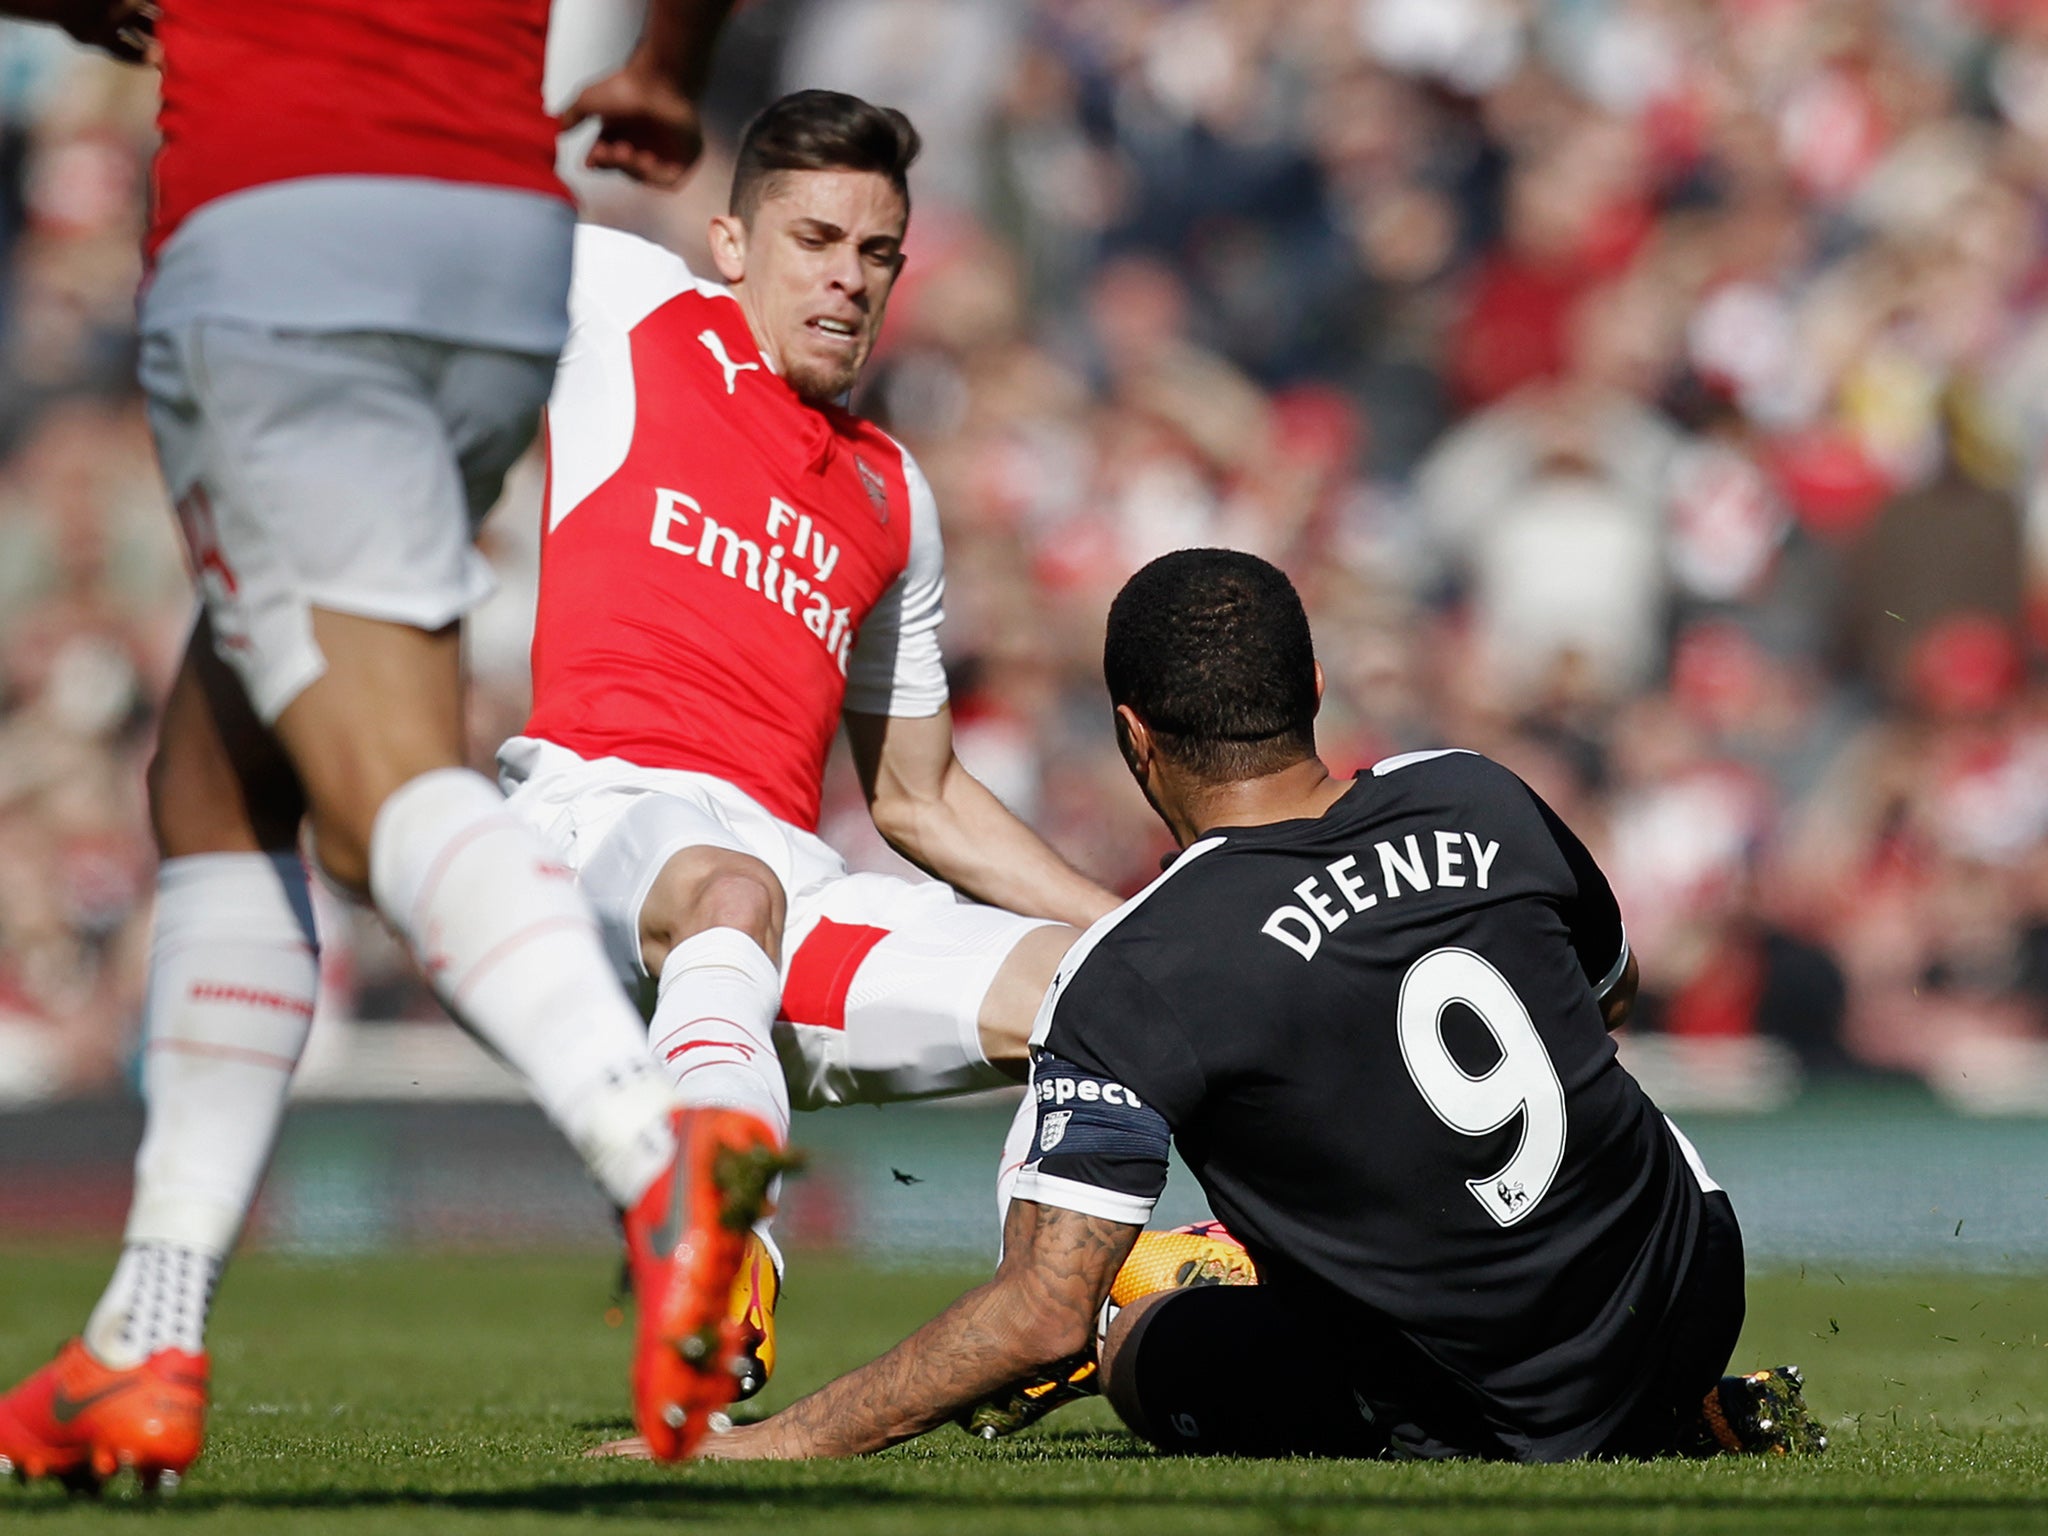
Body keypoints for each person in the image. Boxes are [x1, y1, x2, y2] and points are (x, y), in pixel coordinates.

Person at [0, 0, 741, 1493]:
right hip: (494, 231)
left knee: (372, 775)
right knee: (220, 772)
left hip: (282, 214)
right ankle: (149, 1326)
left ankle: (656, 1153)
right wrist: (670, 63)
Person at [696, 548, 1826, 1464]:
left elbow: (1038, 1313)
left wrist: (778, 1442)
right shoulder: (1476, 790)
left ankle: (1600, 1414)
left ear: (1135, 738)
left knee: (1132, 1332)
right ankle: (1673, 1410)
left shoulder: (1137, 966)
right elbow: (1606, 992)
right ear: (1315, 691)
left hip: (1500, 1402)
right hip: (1687, 1291)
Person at [497, 89, 1119, 1454]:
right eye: (814, 236)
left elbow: (919, 798)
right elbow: (456, 180)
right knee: (723, 887)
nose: (847, 274)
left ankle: (1074, 1310)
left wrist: (1138, 927)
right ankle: (724, 1268)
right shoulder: (632, 311)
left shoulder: (895, 492)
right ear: (730, 242)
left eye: (877, 251)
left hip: (788, 895)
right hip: (596, 818)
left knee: (1107, 998)